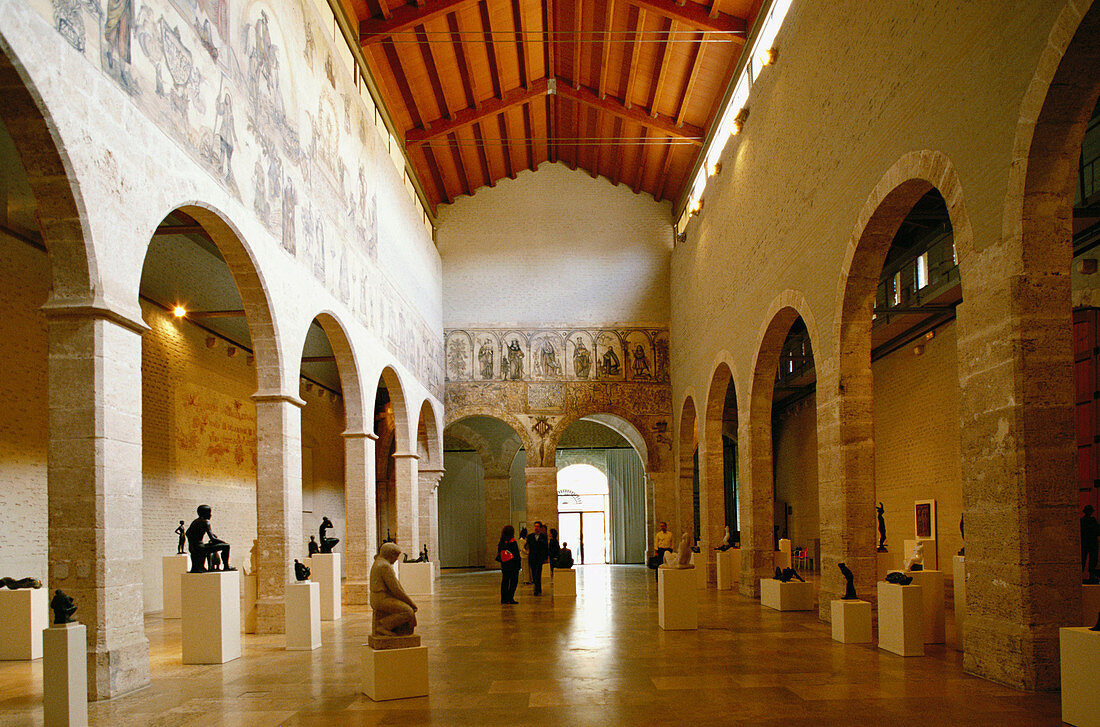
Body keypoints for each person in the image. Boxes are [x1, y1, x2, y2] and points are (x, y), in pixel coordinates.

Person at [184, 504, 234, 573]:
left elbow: (187, 533)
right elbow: (213, 539)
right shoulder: (205, 522)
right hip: (201, 547)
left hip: (195, 547)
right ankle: (226, 566)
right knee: (226, 546)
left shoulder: (194, 522)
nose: (211, 515)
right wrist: (223, 542)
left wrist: (192, 544)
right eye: (209, 513)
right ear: (205, 513)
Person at [496, 525, 521, 604]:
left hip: (505, 565)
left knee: (505, 581)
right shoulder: (513, 542)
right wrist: (518, 565)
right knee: (513, 582)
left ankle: (504, 598)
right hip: (513, 565)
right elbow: (516, 554)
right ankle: (510, 598)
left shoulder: (502, 542)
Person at [527, 521, 549, 595]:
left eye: (538, 526)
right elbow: (528, 546)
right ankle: (537, 588)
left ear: (540, 528)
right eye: (535, 526)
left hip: (540, 558)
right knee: (534, 574)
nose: (536, 528)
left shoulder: (543, 537)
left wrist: (545, 557)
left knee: (538, 573)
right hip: (532, 558)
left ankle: (537, 589)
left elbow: (546, 548)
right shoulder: (530, 537)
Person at [1083, 505, 1100, 584]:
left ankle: (1090, 575)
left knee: (1086, 559)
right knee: (1092, 560)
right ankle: (1091, 575)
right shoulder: (1092, 521)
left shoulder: (1082, 521)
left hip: (1086, 543)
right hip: (1091, 543)